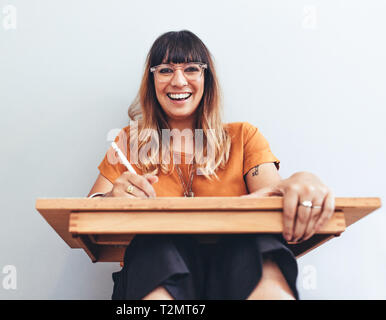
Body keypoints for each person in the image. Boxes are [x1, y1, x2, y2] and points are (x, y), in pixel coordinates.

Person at [87, 30, 335, 300]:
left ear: (207, 78)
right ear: (152, 80)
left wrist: (301, 180)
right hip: (153, 273)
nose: (179, 81)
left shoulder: (243, 137)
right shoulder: (127, 142)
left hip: (236, 277)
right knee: (155, 239)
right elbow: (87, 213)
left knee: (255, 240)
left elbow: (273, 201)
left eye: (192, 68)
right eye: (166, 70)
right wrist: (111, 198)